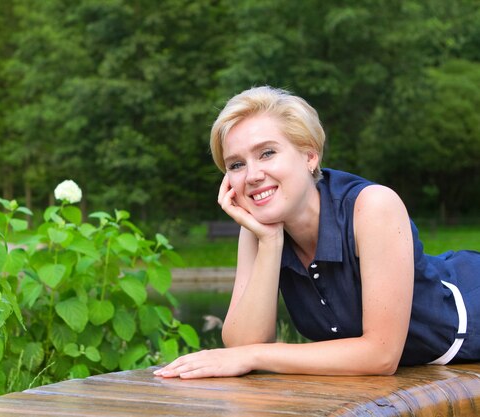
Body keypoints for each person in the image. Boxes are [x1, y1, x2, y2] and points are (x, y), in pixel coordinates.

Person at [154, 86, 480, 378]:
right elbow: (243, 345)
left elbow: (381, 355)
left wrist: (255, 355)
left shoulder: (373, 207)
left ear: (310, 155)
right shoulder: (257, 229)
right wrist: (269, 242)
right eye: (236, 164)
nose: (252, 175)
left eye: (267, 152)